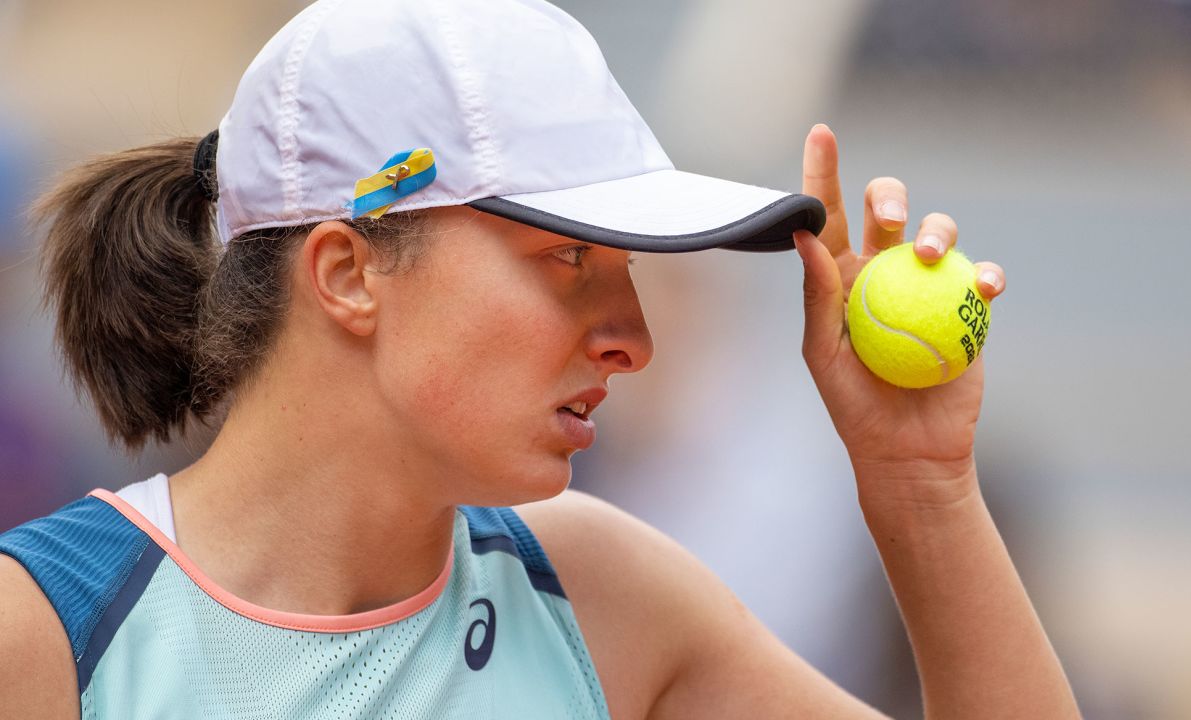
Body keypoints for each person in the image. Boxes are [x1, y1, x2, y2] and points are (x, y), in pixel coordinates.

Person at [0, 0, 1080, 717]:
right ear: (345, 271)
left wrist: (918, 485)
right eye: (566, 257)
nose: (634, 340)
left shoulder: (604, 593)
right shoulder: (46, 632)